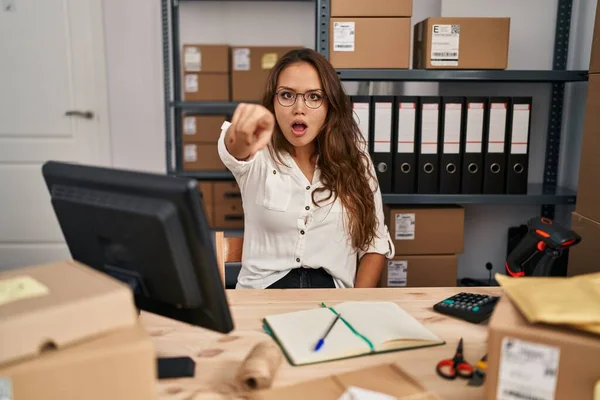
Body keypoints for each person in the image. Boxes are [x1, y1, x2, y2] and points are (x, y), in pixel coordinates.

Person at [217, 48, 395, 289]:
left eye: (313, 97)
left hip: (332, 300)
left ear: (329, 105)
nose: (298, 108)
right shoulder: (259, 153)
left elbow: (374, 244)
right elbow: (234, 148)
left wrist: (356, 305)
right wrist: (241, 133)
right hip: (262, 296)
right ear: (273, 101)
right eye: (287, 95)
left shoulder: (356, 158)